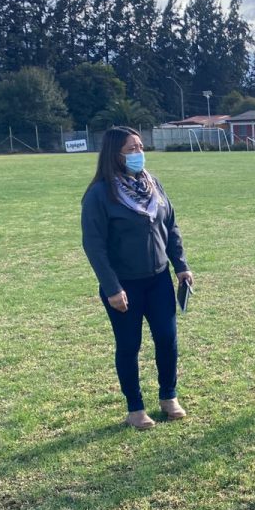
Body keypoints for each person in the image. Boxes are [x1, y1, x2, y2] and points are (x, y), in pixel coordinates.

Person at [81, 126, 193, 430]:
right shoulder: (100, 194)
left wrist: (180, 265)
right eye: (131, 149)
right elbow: (94, 245)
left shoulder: (153, 184)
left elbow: (170, 226)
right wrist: (112, 288)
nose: (138, 153)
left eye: (140, 147)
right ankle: (135, 408)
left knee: (167, 340)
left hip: (158, 280)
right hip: (123, 286)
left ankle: (169, 397)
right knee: (129, 345)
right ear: (114, 155)